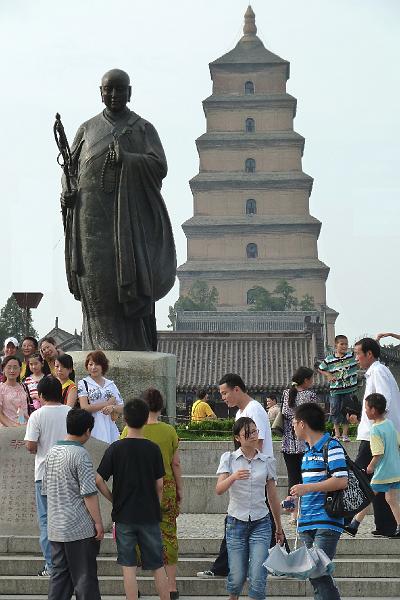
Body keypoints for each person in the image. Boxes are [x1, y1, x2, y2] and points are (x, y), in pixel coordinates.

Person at [60, 68, 176, 351]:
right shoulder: (87, 129)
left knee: (129, 274)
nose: (114, 95)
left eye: (120, 89)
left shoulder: (142, 128)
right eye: (108, 89)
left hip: (128, 220)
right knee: (95, 278)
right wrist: (67, 191)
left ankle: (133, 341)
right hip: (90, 220)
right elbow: (70, 169)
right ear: (100, 92)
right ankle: (100, 343)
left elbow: (159, 166)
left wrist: (127, 159)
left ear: (130, 92)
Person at [197, 373, 275, 579]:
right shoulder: (242, 411)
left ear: (237, 389)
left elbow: (256, 443)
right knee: (259, 519)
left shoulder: (254, 410)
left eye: (225, 393)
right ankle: (271, 561)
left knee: (253, 520)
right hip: (247, 473)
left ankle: (223, 568)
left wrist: (249, 467)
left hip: (255, 473)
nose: (223, 397)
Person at [96, 398, 169, 600]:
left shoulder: (115, 448)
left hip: (124, 515)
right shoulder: (153, 449)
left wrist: (113, 499)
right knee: (157, 565)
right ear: (146, 419)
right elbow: (160, 485)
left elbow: (98, 479)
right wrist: (156, 505)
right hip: (149, 515)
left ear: (124, 420)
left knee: (128, 566)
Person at [121, 388, 182, 598]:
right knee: (169, 534)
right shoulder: (169, 431)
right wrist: (179, 489)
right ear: (161, 405)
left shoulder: (128, 430)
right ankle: (171, 586)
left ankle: (133, 586)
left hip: (138, 490)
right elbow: (175, 464)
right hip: (166, 486)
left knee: (134, 536)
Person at [216, 417, 284, 600]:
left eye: (255, 431)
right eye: (248, 432)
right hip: (235, 522)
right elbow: (219, 489)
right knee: (237, 577)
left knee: (258, 575)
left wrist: (279, 527)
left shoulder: (267, 461)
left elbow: (273, 496)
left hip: (261, 522)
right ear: (238, 437)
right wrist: (233, 477)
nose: (253, 435)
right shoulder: (229, 458)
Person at [43, 409, 104, 600]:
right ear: (87, 431)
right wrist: (98, 523)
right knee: (85, 578)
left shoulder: (52, 452)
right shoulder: (80, 454)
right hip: (78, 528)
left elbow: (45, 490)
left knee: (60, 579)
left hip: (56, 528)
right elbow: (88, 493)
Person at [290, 402, 348, 600]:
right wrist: (295, 499)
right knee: (317, 576)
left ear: (303, 424)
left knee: (319, 574)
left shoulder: (331, 446)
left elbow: (341, 480)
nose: (293, 426)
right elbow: (311, 487)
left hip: (326, 520)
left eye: (294, 422)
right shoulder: (307, 453)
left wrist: (307, 488)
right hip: (307, 522)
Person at [24, 375, 71, 577]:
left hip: (44, 473)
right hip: (68, 472)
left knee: (46, 521)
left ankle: (51, 566)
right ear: (61, 392)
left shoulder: (37, 415)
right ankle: (69, 563)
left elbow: (30, 445)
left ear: (41, 395)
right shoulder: (70, 412)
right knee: (67, 518)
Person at [354, 338, 400, 536]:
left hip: (374, 434)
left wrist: (378, 428)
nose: (356, 358)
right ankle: (385, 525)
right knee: (377, 481)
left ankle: (349, 518)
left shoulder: (379, 371)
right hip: (374, 432)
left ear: (369, 354)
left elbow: (384, 401)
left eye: (358, 354)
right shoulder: (376, 371)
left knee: (359, 475)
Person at [345, 393, 400, 538]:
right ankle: (399, 526)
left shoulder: (375, 429)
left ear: (373, 410)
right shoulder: (389, 424)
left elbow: (378, 453)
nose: (365, 411)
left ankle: (354, 526)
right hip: (394, 469)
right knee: (391, 499)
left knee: (368, 496)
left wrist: (370, 467)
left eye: (366, 408)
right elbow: (397, 441)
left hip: (382, 472)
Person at [281, 367, 318, 521]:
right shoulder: (310, 395)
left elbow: (284, 413)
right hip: (305, 443)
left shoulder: (286, 393)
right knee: (307, 478)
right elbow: (314, 417)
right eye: (311, 378)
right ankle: (305, 511)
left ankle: (293, 514)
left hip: (288, 443)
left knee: (293, 478)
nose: (313, 381)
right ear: (306, 380)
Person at [78, 350, 124, 443]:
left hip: (110, 427)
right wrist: (107, 403)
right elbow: (84, 407)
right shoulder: (83, 383)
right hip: (92, 426)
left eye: (97, 364)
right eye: (90, 364)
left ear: (103, 365)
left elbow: (122, 407)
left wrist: (112, 408)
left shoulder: (111, 384)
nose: (93, 367)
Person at [319, 334, 358, 441]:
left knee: (347, 411)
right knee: (335, 410)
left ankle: (345, 434)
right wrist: (328, 375)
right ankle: (337, 433)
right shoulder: (330, 359)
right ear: (336, 345)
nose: (344, 346)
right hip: (335, 390)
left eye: (346, 344)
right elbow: (319, 368)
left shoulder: (351, 356)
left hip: (349, 390)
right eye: (342, 344)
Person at [0, 356, 28, 426]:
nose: (12, 371)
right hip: (7, 429)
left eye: (15, 367)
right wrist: (12, 426)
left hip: (24, 427)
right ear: (3, 369)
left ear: (20, 370)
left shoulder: (23, 387)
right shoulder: (1, 388)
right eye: (9, 367)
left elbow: (22, 410)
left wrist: (22, 424)